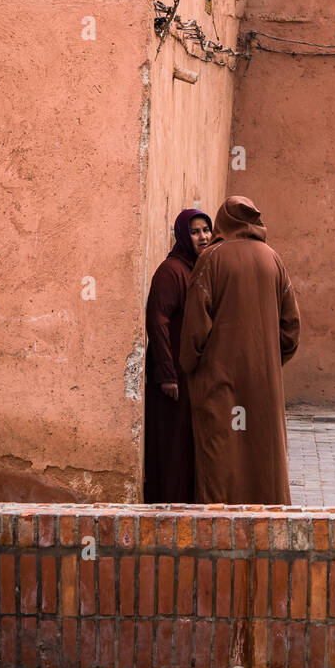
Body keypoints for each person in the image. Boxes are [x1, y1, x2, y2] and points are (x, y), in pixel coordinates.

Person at [180, 196, 300, 504]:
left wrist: (192, 365)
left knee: (221, 453)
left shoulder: (211, 259)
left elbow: (195, 326)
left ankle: (221, 530)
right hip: (264, 381)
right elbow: (291, 329)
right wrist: (268, 360)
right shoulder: (272, 258)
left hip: (218, 378)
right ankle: (266, 523)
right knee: (262, 452)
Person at [143, 208, 213, 503]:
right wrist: (167, 375)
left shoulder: (197, 268)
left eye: (206, 230)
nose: (203, 237)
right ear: (184, 235)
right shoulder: (172, 271)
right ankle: (166, 504)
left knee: (185, 442)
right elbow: (156, 320)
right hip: (171, 378)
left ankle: (184, 502)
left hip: (188, 376)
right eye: (195, 232)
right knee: (170, 444)